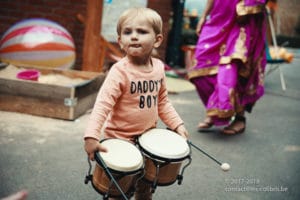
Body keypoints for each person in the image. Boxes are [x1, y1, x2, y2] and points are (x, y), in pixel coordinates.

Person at [84, 7, 189, 200]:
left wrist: (177, 124)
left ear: (157, 39)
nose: (134, 37)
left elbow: (162, 101)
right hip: (119, 140)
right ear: (120, 41)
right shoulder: (119, 71)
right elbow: (102, 105)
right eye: (128, 32)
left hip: (148, 141)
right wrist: (91, 136)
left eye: (141, 32)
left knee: (145, 188)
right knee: (119, 192)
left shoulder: (158, 68)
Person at [188, 0, 267, 134]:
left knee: (230, 70)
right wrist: (204, 16)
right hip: (217, 18)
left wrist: (246, 7)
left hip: (241, 21)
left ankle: (239, 118)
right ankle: (216, 109)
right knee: (199, 69)